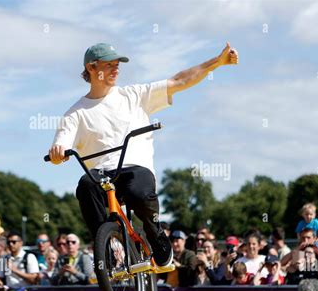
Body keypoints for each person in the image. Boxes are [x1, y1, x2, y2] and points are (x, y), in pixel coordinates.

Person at [48, 42, 238, 269]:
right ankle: (105, 246)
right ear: (91, 68)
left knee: (137, 192)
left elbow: (179, 81)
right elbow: (62, 142)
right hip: (101, 174)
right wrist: (58, 152)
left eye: (117, 65)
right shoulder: (75, 113)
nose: (116, 69)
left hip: (135, 167)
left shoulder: (134, 95)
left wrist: (216, 62)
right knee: (85, 186)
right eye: (109, 65)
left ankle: (155, 233)